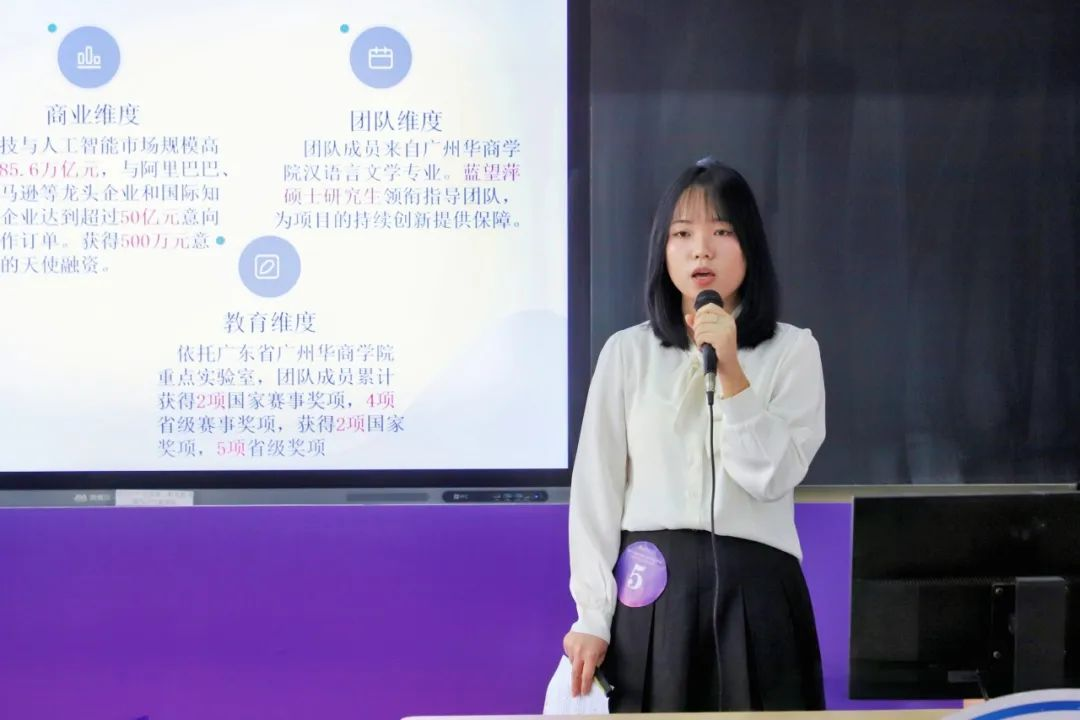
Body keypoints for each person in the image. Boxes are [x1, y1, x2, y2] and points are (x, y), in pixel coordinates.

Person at [563, 158, 827, 712]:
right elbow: (596, 492)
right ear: (663, 250)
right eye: (682, 234)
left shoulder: (793, 351)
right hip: (651, 591)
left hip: (757, 592)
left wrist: (731, 370)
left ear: (749, 246)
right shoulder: (627, 353)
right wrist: (592, 615)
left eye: (721, 232)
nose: (700, 250)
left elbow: (769, 476)